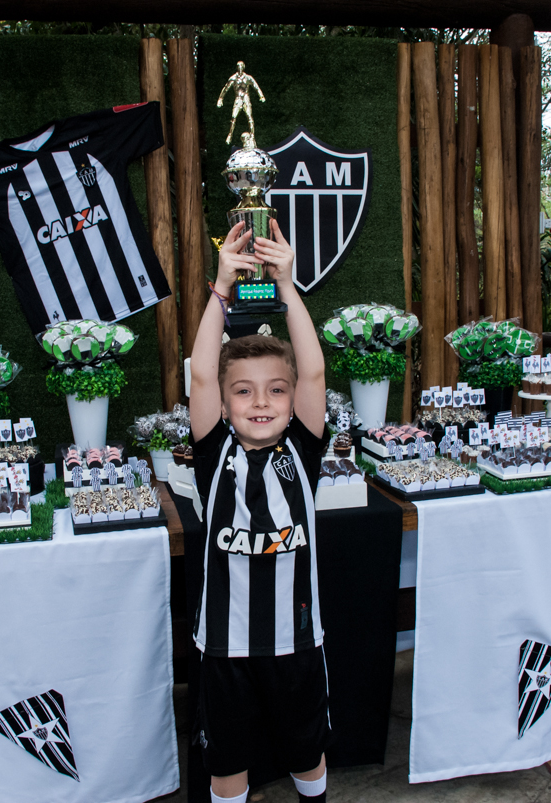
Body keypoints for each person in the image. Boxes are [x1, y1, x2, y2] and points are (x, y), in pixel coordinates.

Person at [190, 218, 331, 803]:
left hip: (296, 642)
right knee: (226, 764)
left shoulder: (302, 448)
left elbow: (313, 369)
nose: (261, 402)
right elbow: (203, 372)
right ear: (224, 406)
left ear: (292, 400)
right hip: (225, 648)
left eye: (276, 389)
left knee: (306, 753)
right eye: (243, 391)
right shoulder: (213, 453)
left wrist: (287, 285)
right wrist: (221, 288)